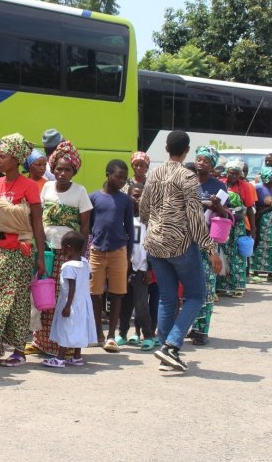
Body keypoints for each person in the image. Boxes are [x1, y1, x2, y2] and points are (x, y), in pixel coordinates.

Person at [140, 131, 221, 372]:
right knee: (197, 295)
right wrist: (210, 249)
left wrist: (153, 224)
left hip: (154, 244)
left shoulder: (154, 173)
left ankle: (165, 350)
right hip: (181, 245)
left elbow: (143, 208)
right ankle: (172, 346)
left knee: (168, 297)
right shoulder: (188, 177)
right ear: (186, 150)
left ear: (166, 148)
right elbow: (195, 217)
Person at [0, 133, 47, 367]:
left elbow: (37, 224)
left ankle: (19, 350)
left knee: (18, 299)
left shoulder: (29, 186)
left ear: (16, 159)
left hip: (20, 250)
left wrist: (40, 256)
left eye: (2, 156)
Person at [30, 140, 91, 357]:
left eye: (67, 169)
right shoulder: (46, 187)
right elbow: (37, 219)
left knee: (62, 297)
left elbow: (85, 226)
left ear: (74, 171)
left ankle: (61, 344)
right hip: (46, 249)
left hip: (68, 254)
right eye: (58, 169)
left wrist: (79, 258)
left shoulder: (80, 192)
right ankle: (41, 341)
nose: (62, 173)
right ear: (52, 168)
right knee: (43, 295)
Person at [89, 159, 134, 352]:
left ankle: (111, 336)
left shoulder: (125, 200)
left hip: (119, 252)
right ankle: (98, 333)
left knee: (117, 294)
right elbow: (89, 226)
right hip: (97, 251)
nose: (122, 181)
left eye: (124, 178)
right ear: (108, 174)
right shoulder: (94, 198)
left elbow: (130, 228)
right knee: (94, 294)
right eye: (118, 176)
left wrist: (129, 255)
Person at [190, 146, 229, 345]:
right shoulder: (187, 181)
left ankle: (202, 330)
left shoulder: (219, 187)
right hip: (187, 240)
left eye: (206, 160)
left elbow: (228, 216)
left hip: (209, 242)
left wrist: (218, 206)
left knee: (206, 285)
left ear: (212, 165)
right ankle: (191, 325)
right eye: (199, 159)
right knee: (189, 286)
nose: (201, 163)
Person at [42, 231, 95, 368]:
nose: (62, 251)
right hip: (83, 303)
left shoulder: (68, 267)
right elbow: (89, 277)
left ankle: (60, 358)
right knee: (79, 328)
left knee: (66, 328)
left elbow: (72, 287)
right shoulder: (84, 262)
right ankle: (77, 356)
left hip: (70, 303)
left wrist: (67, 306)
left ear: (68, 247)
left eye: (63, 247)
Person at [117, 182, 155, 351]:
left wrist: (149, 268)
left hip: (142, 267)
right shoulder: (124, 216)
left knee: (141, 304)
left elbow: (153, 245)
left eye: (140, 196)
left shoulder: (150, 220)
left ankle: (147, 335)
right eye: (134, 195)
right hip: (125, 266)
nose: (136, 199)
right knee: (124, 303)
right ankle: (122, 333)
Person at [216, 160, 256, 298]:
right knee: (223, 253)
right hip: (224, 222)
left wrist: (253, 228)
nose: (233, 176)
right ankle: (221, 286)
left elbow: (250, 208)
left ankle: (237, 286)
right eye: (231, 173)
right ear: (227, 172)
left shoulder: (245, 187)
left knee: (238, 255)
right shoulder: (221, 183)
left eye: (237, 173)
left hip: (238, 224)